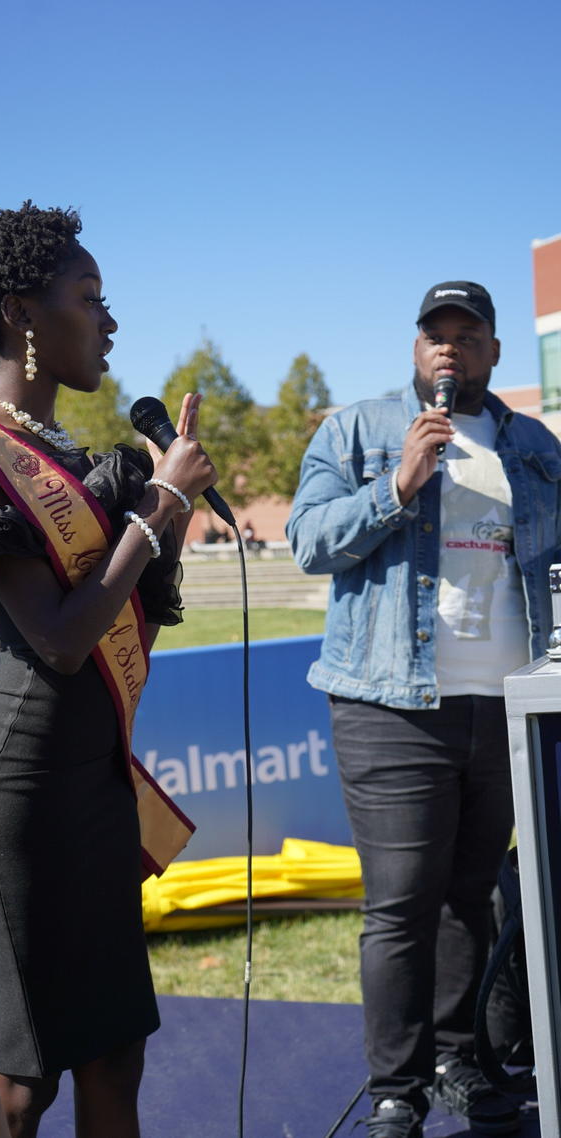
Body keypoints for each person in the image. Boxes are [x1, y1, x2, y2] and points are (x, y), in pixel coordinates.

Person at [0, 202, 217, 1138]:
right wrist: (152, 509)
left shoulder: (78, 459)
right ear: (22, 314)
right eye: (89, 299)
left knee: (116, 1052)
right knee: (26, 1077)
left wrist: (163, 520)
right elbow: (54, 641)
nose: (110, 321)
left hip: (90, 778)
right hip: (18, 782)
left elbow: (127, 630)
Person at [287, 281, 561, 1138]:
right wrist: (397, 486)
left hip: (505, 703)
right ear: (415, 351)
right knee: (402, 901)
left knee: (471, 894)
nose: (449, 348)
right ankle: (395, 1091)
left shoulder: (537, 447)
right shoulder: (360, 431)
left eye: (466, 334)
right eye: (434, 335)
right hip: (393, 706)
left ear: (493, 352)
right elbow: (307, 540)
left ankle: (458, 1062)